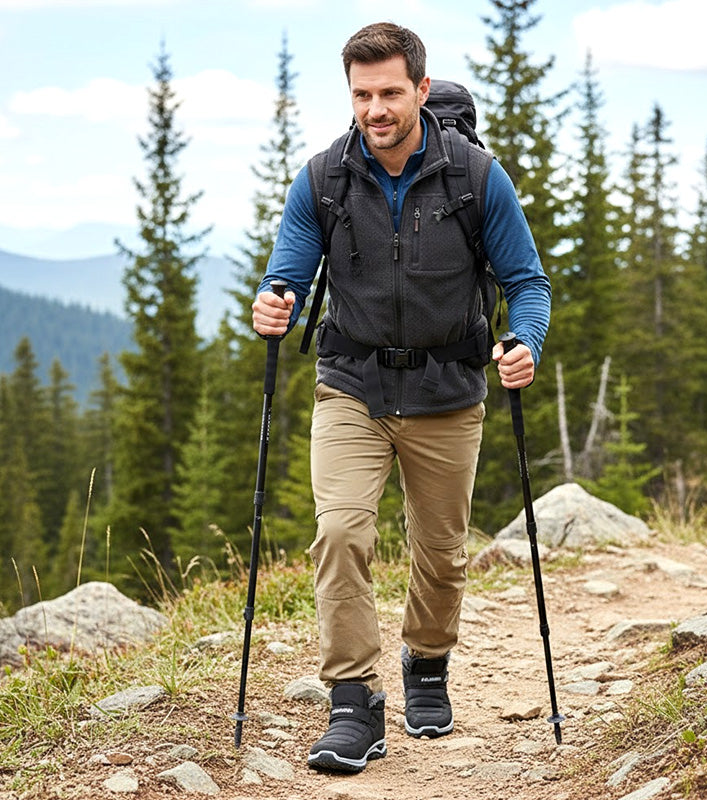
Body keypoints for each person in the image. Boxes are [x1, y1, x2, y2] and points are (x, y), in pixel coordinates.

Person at [252, 21, 551, 774]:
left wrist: (525, 344)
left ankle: (426, 663)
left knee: (440, 552)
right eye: (362, 94)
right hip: (352, 384)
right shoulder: (324, 178)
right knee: (342, 532)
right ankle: (353, 701)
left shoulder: (476, 178)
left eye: (390, 92)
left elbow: (528, 283)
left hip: (449, 391)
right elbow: (285, 269)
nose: (375, 109)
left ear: (420, 88)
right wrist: (273, 299)